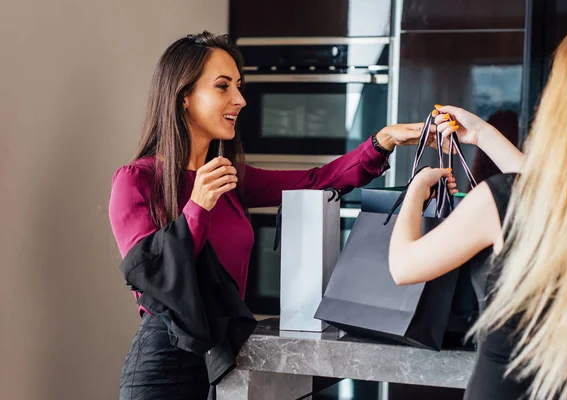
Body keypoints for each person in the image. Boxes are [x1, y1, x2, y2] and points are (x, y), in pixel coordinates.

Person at [108, 31, 464, 399]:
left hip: (229, 361)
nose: (240, 99)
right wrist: (197, 207)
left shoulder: (230, 177)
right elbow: (153, 277)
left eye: (239, 86)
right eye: (222, 86)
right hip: (165, 370)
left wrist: (383, 141)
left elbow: (316, 181)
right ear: (184, 97)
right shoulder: (137, 181)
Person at [388, 19, 567, 400]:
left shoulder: (502, 200)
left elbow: (403, 267)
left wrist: (416, 190)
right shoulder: (566, 208)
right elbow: (555, 194)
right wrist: (482, 135)